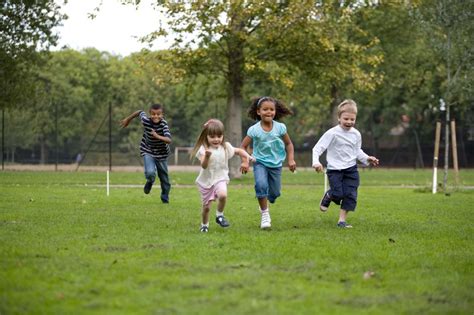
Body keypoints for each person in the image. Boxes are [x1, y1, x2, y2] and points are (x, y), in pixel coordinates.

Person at [312, 99, 379, 228]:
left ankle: (341, 221)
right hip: (335, 169)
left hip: (351, 169)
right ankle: (329, 195)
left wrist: (367, 158)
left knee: (351, 195)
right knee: (338, 194)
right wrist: (316, 162)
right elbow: (317, 148)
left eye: (352, 119)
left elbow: (357, 151)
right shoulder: (332, 133)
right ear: (339, 118)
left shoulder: (356, 134)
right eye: (346, 119)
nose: (349, 122)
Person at [240, 96, 296, 230]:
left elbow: (289, 144)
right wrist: (245, 161)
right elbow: (243, 147)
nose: (269, 112)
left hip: (276, 164)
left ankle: (266, 199)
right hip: (259, 162)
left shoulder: (280, 128)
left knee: (275, 193)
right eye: (265, 109)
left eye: (271, 109)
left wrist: (291, 159)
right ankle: (265, 214)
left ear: (275, 111)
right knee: (261, 185)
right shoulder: (254, 130)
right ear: (259, 112)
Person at [192, 119, 252, 233]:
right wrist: (207, 156)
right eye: (212, 136)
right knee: (206, 208)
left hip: (220, 178)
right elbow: (204, 166)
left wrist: (247, 158)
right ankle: (204, 225)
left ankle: (219, 215)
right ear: (206, 136)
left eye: (219, 136)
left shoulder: (225, 147)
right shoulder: (203, 149)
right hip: (206, 182)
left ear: (223, 136)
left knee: (223, 195)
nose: (216, 139)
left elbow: (239, 151)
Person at [120, 103, 172, 203]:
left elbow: (168, 140)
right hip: (148, 150)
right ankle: (150, 181)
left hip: (162, 154)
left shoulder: (163, 124)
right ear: (150, 114)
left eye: (158, 114)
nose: (156, 116)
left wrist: (157, 136)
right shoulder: (146, 120)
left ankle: (165, 199)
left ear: (162, 115)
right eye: (153, 114)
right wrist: (128, 119)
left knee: (164, 178)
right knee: (150, 173)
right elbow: (139, 112)